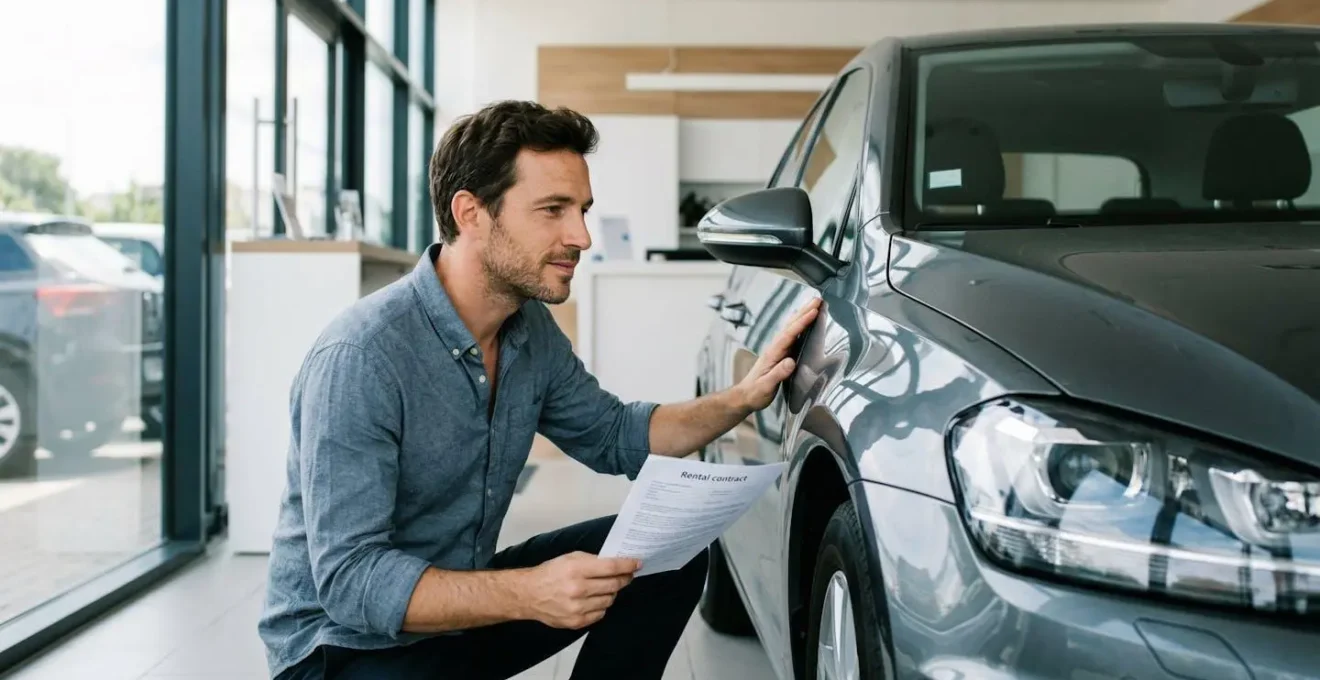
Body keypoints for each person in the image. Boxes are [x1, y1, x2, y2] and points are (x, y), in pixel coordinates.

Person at [258, 99, 821, 680]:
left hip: (458, 617)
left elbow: (614, 435)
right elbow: (352, 583)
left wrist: (742, 398)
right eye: (553, 209)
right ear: (471, 213)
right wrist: (529, 593)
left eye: (582, 210)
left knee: (664, 560)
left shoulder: (529, 332)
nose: (579, 235)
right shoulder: (362, 356)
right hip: (343, 651)